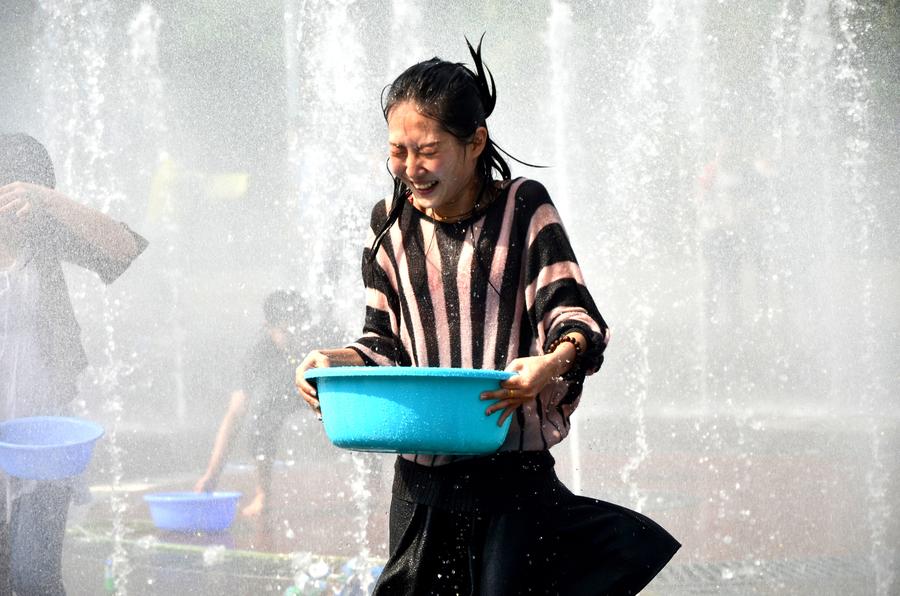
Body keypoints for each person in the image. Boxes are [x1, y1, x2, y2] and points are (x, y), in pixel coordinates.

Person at [294, 39, 680, 595]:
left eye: (426, 150)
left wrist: (550, 365)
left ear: (475, 142)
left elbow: (575, 317)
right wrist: (335, 363)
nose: (409, 168)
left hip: (510, 482)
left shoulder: (524, 207)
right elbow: (384, 342)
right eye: (397, 151)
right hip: (420, 486)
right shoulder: (389, 221)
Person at [0, 133, 147, 595]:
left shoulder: (43, 234)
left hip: (44, 435)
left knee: (35, 577)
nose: (15, 214)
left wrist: (49, 201)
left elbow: (124, 248)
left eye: (26, 198)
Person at [195, 290, 307, 517]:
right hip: (287, 392)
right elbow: (235, 414)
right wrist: (212, 475)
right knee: (263, 415)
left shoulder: (319, 339)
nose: (294, 337)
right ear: (268, 327)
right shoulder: (258, 355)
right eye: (286, 331)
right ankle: (263, 494)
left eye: (298, 328)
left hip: (320, 386)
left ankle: (373, 488)